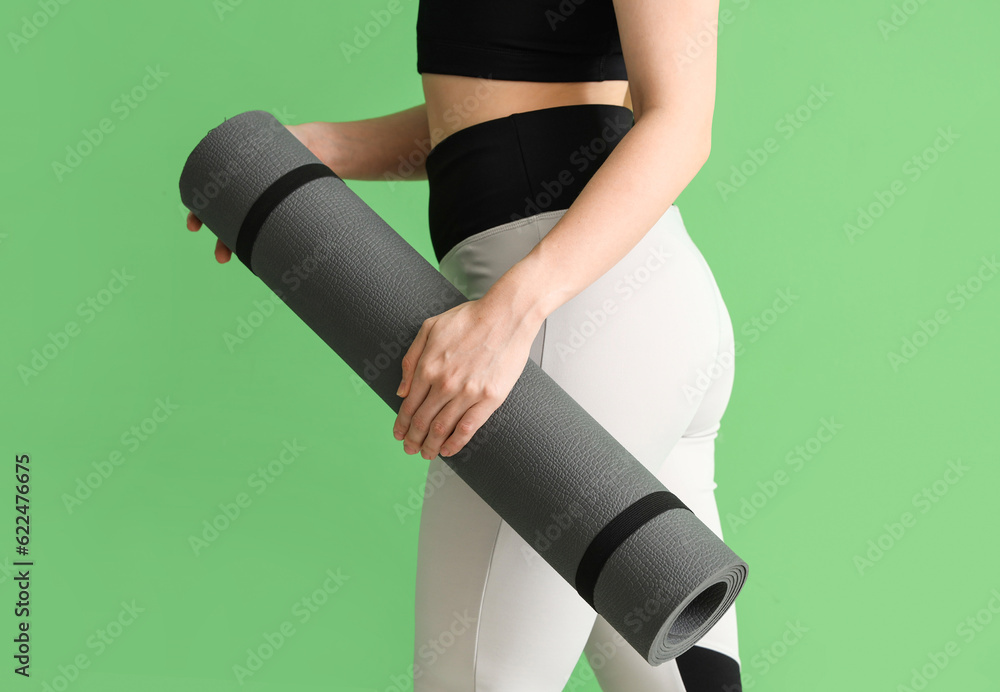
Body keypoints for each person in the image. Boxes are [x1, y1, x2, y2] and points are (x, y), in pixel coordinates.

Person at [188, 1, 741, 689]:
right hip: (623, 326)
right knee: (680, 675)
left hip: (572, 321)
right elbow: (487, 107)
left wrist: (511, 312)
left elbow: (681, 122)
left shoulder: (528, 312)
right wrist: (324, 149)